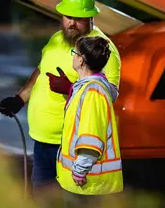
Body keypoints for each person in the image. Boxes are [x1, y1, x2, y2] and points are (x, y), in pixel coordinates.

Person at [0, 0, 121, 201]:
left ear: (91, 17)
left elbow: (108, 96)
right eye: (67, 16)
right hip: (42, 141)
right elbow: (41, 70)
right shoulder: (56, 39)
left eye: (78, 17)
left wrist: (69, 89)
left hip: (69, 148)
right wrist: (20, 98)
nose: (71, 23)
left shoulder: (101, 50)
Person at [56, 36, 123, 208]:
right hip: (85, 182)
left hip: (88, 183)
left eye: (75, 53)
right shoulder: (87, 87)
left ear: (81, 60)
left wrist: (79, 171)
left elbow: (91, 136)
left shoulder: (92, 92)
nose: (73, 56)